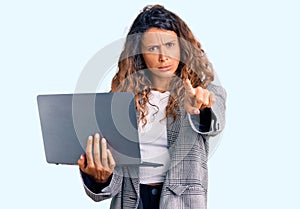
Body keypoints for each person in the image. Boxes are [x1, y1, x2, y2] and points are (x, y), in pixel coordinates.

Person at [77, 4, 226, 209]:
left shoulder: (205, 91)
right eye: (153, 48)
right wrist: (99, 177)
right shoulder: (118, 101)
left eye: (170, 45)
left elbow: (213, 124)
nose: (163, 56)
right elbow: (108, 189)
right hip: (132, 202)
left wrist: (200, 110)